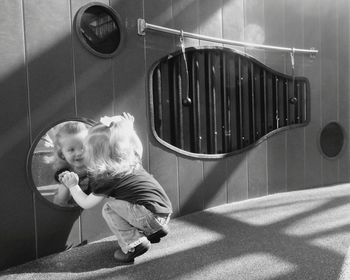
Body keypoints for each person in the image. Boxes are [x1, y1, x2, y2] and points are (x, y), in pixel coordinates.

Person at [59, 113, 172, 264]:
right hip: (164, 212)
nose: (81, 152)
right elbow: (138, 146)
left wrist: (73, 185)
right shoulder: (132, 159)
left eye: (85, 148)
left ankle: (132, 244)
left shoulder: (107, 177)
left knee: (109, 209)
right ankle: (156, 230)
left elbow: (86, 203)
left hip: (149, 216)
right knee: (131, 206)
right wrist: (130, 131)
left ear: (95, 155)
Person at [45, 121, 90, 206]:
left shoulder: (96, 167)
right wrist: (67, 183)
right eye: (72, 150)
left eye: (83, 148)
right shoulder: (64, 171)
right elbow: (60, 200)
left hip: (93, 206)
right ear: (62, 154)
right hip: (71, 205)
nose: (78, 153)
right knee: (64, 185)